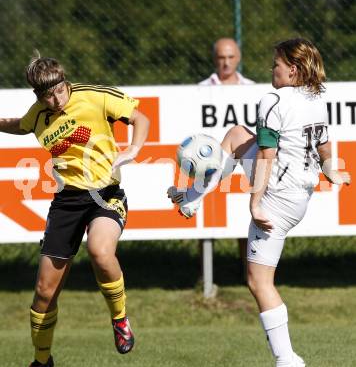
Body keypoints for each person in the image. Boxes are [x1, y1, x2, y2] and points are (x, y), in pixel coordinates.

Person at [169, 38, 350, 366]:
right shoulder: (316, 97)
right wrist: (330, 171)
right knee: (237, 135)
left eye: (276, 64)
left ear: (292, 69)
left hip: (276, 199)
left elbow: (267, 156)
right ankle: (193, 198)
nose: (272, 69)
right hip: (299, 197)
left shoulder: (273, 100)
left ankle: (287, 359)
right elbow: (324, 144)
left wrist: (255, 204)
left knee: (258, 281)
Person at [0, 53, 150, 366]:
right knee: (43, 292)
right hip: (66, 203)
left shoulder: (94, 96)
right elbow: (20, 125)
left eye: (59, 91)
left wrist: (133, 150)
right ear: (38, 96)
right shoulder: (39, 114)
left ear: (65, 82)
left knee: (100, 250)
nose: (56, 100)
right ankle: (42, 361)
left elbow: (141, 118)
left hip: (105, 194)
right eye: (47, 95)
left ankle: (120, 319)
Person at [199, 37, 255, 279]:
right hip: (213, 159)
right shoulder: (201, 89)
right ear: (215, 59)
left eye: (231, 57)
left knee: (245, 218)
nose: (226, 62)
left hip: (244, 160)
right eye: (221, 57)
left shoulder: (252, 89)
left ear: (238, 58)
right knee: (204, 216)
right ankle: (204, 274)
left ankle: (249, 270)